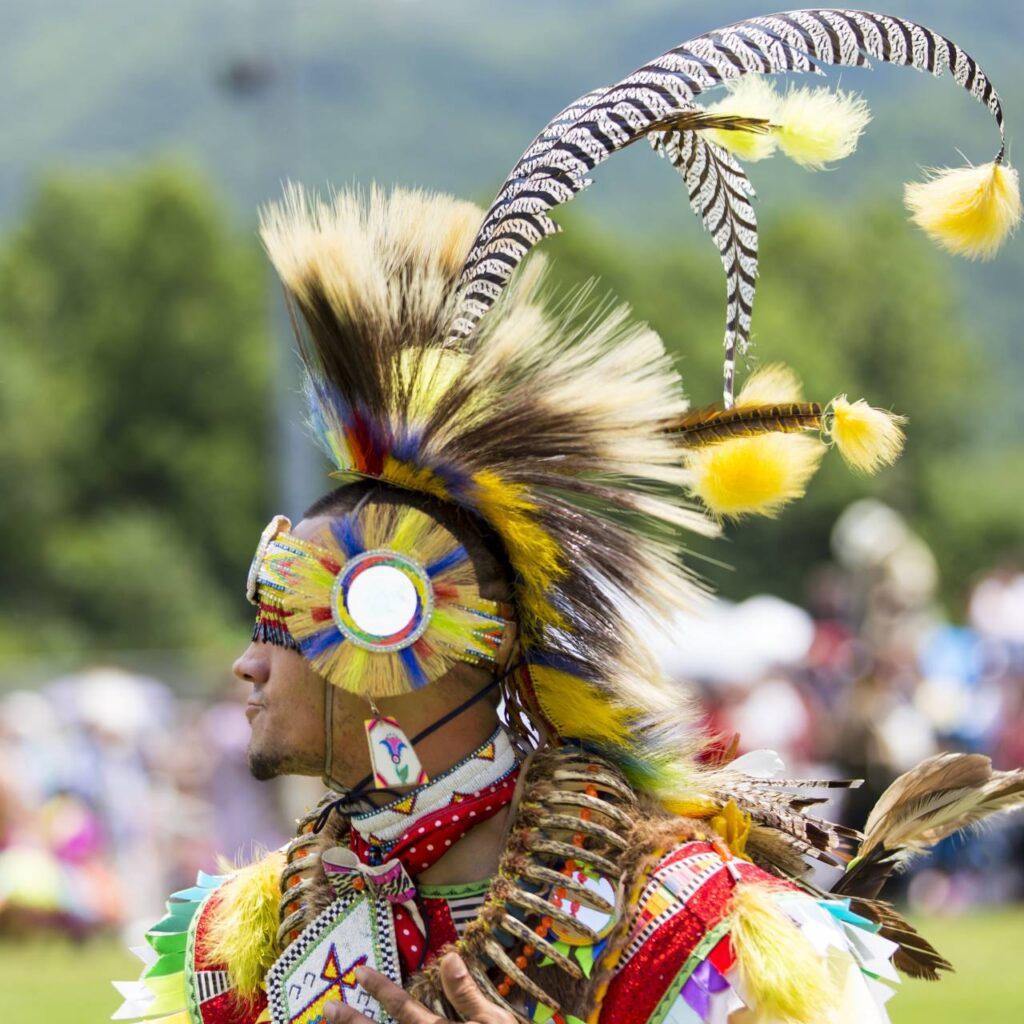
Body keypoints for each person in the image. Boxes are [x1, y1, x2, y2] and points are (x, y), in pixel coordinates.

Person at [114, 9, 1024, 1024]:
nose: (244, 663)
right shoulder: (240, 940)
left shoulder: (694, 931)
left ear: (397, 634)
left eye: (282, 624)